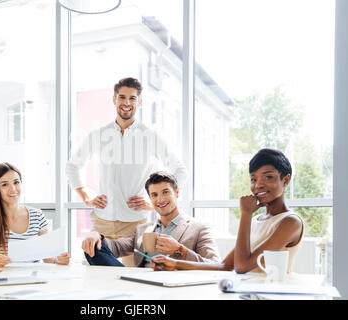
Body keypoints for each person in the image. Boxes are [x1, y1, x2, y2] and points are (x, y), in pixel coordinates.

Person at [66, 77, 188, 266]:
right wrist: (85, 196)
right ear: (114, 100)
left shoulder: (150, 136)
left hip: (135, 226)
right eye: (122, 97)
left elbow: (180, 170)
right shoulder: (99, 134)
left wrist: (152, 202)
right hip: (101, 223)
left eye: (132, 98)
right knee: (96, 282)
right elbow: (72, 166)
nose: (127, 103)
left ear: (139, 102)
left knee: (133, 284)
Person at [150, 148, 304, 274]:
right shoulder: (258, 220)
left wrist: (245, 214)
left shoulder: (290, 222)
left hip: (267, 294)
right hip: (245, 292)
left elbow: (242, 267)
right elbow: (224, 266)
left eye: (268, 177)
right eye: (253, 179)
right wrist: (174, 263)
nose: (258, 185)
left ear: (286, 179)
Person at [81, 171, 220, 267]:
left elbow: (215, 265)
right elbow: (116, 246)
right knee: (93, 248)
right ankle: (124, 283)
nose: (160, 199)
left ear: (176, 193)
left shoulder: (199, 228)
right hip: (142, 284)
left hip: (174, 285)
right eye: (154, 195)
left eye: (165, 192)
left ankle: (123, 285)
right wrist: (96, 235)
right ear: (150, 198)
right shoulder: (143, 229)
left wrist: (179, 250)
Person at [0, 162, 70, 267]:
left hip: (33, 278)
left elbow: (48, 258)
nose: (13, 189)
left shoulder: (37, 215)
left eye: (16, 182)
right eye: (4, 184)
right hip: (3, 277)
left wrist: (57, 260)